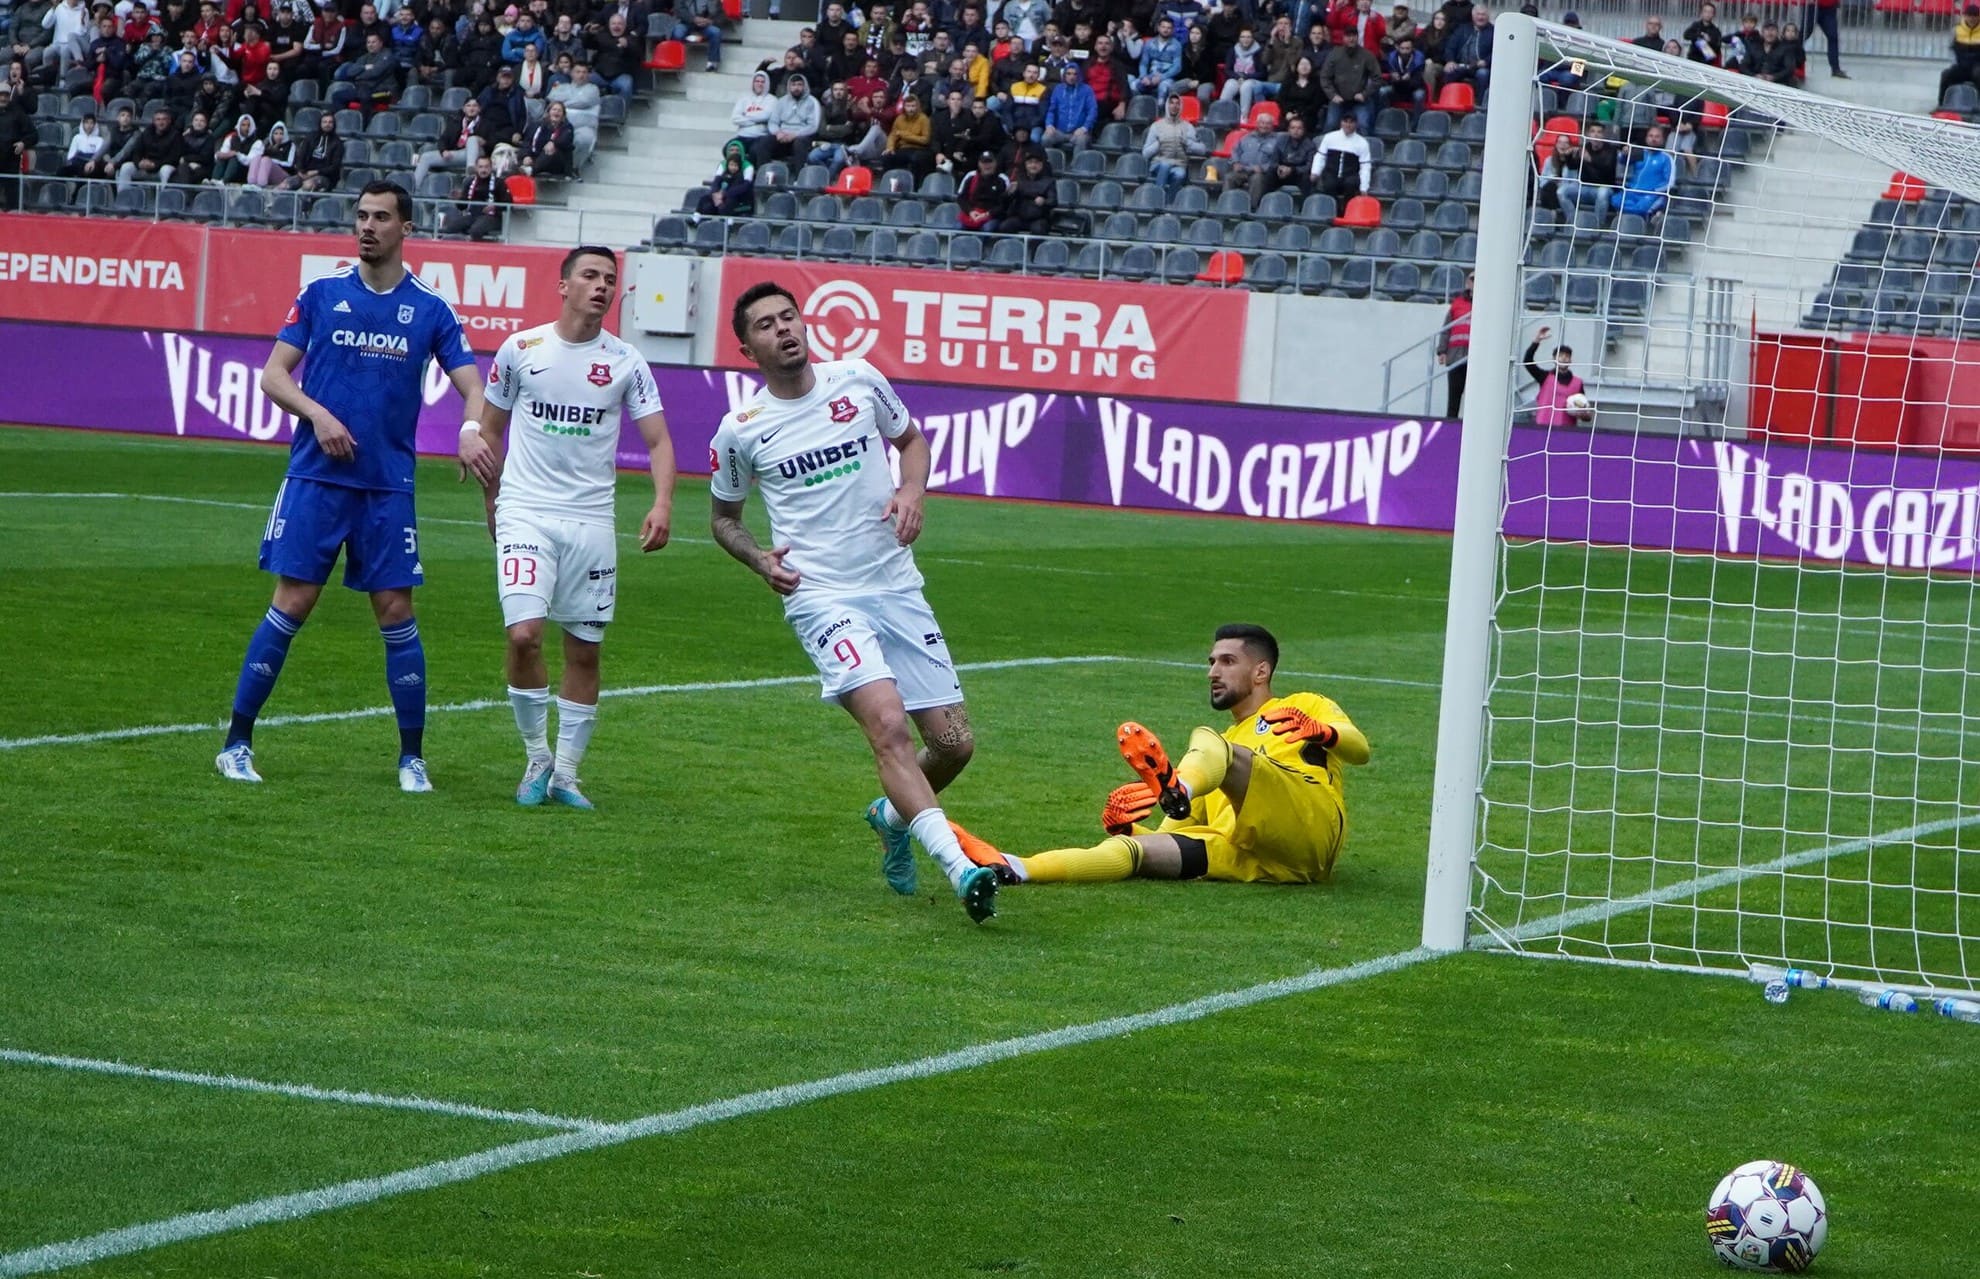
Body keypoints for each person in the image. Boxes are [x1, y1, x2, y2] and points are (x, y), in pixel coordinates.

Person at [711, 283, 997, 923]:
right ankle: (959, 867)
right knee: (889, 728)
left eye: (789, 316)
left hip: (895, 585)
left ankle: (892, 819)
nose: (783, 329)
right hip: (821, 596)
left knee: (953, 745)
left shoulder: (859, 380)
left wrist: (912, 491)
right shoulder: (742, 430)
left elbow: (913, 443)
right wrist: (758, 559)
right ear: (747, 347)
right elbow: (724, 519)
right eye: (765, 324)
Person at [216, 183, 486, 791]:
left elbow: (473, 385)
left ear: (405, 227)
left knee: (396, 611)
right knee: (293, 602)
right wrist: (318, 414)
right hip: (316, 477)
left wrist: (471, 428)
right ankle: (236, 743)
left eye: (381, 217)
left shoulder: (431, 310)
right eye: (361, 215)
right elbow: (273, 377)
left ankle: (412, 757)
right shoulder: (321, 293)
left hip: (387, 486)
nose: (368, 226)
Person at [458, 248, 673, 811]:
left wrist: (663, 502)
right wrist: (492, 500)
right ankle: (536, 756)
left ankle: (567, 775)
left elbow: (657, 441)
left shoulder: (626, 361)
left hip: (592, 521)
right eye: (590, 276)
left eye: (610, 279)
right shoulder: (522, 350)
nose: (602, 286)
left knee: (584, 652)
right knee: (524, 635)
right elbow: (492, 429)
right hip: (526, 510)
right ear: (564, 284)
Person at [949, 625, 1368, 888]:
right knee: (1136, 851)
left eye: (1227, 661)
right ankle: (1018, 868)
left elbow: (1360, 749)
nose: (1212, 672)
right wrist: (1131, 827)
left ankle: (1174, 786)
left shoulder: (1301, 705)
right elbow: (1177, 826)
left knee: (1213, 746)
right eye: (1210, 662)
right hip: (1259, 859)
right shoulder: (1216, 759)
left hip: (1310, 825)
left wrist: (1325, 733)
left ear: (1261, 672)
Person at [1320, 25, 1380, 131]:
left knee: (1363, 126)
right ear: (1343, 37)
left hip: (1360, 101)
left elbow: (1377, 78)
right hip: (1338, 99)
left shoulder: (1367, 55)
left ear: (1358, 37)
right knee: (1330, 125)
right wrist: (1332, 95)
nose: (1351, 39)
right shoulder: (1334, 54)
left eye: (1354, 36)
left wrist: (1364, 94)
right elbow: (1324, 77)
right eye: (1348, 36)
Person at [1523, 325, 1584, 427]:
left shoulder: (1578, 383)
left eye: (1567, 356)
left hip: (1568, 432)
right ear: (1554, 358)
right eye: (1560, 356)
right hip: (1542, 428)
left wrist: (1584, 414)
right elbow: (1527, 361)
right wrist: (1536, 341)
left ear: (1570, 360)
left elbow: (1583, 408)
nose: (1563, 358)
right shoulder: (1544, 377)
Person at [1140, 89, 1202, 189]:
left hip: (1178, 165)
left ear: (1180, 106)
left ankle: (1169, 201)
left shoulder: (1187, 126)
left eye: (1177, 103)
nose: (1174, 106)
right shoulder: (1156, 126)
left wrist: (1187, 142)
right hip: (1159, 164)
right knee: (1165, 165)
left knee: (1181, 174)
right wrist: (1159, 143)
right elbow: (1145, 153)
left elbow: (1202, 149)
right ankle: (1158, 194)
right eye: (1171, 103)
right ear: (1167, 105)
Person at [755, 70, 819, 165]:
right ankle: (762, 173)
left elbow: (813, 126)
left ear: (804, 86)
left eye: (799, 85)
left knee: (799, 143)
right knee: (764, 141)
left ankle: (799, 178)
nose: (796, 88)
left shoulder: (812, 102)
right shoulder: (782, 101)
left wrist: (795, 134)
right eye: (793, 85)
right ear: (789, 87)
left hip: (801, 136)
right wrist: (778, 133)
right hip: (783, 135)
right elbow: (773, 122)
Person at [443, 151, 511, 236]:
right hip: (472, 216)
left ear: (491, 168)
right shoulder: (469, 181)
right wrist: (458, 199)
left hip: (492, 217)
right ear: (476, 168)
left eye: (486, 167)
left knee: (475, 231)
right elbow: (462, 207)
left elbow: (508, 203)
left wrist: (494, 207)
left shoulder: (499, 182)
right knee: (450, 228)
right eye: (481, 167)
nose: (483, 170)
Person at [1611, 124, 1672, 217]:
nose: (1653, 139)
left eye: (1657, 136)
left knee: (1642, 207)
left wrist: (1653, 190)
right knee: (1615, 200)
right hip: (1633, 191)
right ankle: (1644, 211)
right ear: (1646, 138)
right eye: (1651, 136)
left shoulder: (1666, 158)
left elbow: (1669, 182)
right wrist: (1624, 154)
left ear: (1662, 140)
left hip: (1650, 194)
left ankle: (1635, 212)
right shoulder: (1640, 152)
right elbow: (1622, 161)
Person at [1436, 269, 1472, 419]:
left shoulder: (1486, 304)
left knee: (1473, 398)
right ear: (1468, 283)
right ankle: (1451, 426)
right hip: (1456, 356)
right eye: (1473, 279)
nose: (1475, 282)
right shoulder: (1457, 303)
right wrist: (1442, 351)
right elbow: (1446, 329)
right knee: (1454, 397)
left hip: (1474, 359)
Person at [1225, 110, 1283, 204]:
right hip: (1243, 170)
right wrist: (1235, 162)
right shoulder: (1247, 137)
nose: (1264, 126)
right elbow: (1235, 151)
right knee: (1229, 177)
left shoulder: (1278, 141)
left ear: (1272, 126)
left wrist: (1263, 168)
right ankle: (1227, 204)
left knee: (1257, 179)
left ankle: (1252, 208)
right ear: (1257, 124)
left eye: (1268, 124)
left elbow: (1277, 160)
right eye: (1262, 123)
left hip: (1262, 173)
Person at [1311, 109, 1369, 199]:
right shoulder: (1329, 137)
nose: (1348, 125)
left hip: (1350, 175)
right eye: (1345, 122)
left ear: (1356, 124)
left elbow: (1365, 166)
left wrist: (1364, 187)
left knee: (1351, 184)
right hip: (1331, 173)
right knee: (1329, 184)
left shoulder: (1362, 142)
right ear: (1341, 123)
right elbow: (1320, 156)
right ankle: (1334, 209)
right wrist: (1315, 172)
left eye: (1351, 122)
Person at [1040, 59, 1095, 148]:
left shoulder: (1087, 90)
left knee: (1081, 140)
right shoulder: (1058, 89)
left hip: (1079, 131)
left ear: (1079, 75)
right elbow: (1051, 110)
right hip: (1059, 131)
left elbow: (1092, 111)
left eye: (1075, 74)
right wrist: (1049, 125)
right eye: (1068, 74)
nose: (1072, 77)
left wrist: (1084, 128)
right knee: (1045, 138)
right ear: (1064, 75)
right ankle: (1048, 161)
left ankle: (1078, 162)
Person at [1003, 145, 1054, 233]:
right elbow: (1006, 200)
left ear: (1041, 165)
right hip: (1019, 217)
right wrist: (1009, 192)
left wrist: (1044, 201)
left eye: (1036, 162)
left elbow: (1053, 201)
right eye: (1030, 162)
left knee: (1038, 229)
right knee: (1005, 226)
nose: (1033, 165)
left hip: (1038, 219)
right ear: (1026, 165)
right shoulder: (1019, 179)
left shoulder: (1049, 181)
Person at [1135, 14, 1180, 104]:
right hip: (1151, 75)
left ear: (1172, 30)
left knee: (1163, 87)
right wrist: (1143, 77)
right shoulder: (1149, 43)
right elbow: (1143, 63)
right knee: (1134, 85)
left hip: (1168, 77)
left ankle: (1160, 113)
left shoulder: (1176, 45)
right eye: (1163, 27)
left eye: (1169, 28)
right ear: (1158, 27)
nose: (1165, 30)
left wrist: (1162, 77)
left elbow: (1177, 67)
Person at [956, 146, 1006, 228]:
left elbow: (1003, 205)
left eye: (990, 162)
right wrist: (970, 211)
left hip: (992, 215)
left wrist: (987, 214)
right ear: (979, 164)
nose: (987, 165)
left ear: (995, 163)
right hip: (972, 213)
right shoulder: (971, 176)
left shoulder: (1002, 179)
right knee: (958, 227)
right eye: (984, 162)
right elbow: (961, 198)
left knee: (987, 228)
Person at [671, 0, 724, 71]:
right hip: (685, 22)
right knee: (677, 33)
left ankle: (712, 63)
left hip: (705, 24)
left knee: (716, 32)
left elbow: (721, 14)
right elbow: (679, 10)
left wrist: (710, 21)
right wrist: (694, 19)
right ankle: (675, 61)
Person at [695, 148, 752, 214]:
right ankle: (696, 217)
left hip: (731, 197)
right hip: (719, 195)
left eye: (735, 165)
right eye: (731, 165)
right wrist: (715, 194)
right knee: (704, 199)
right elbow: (716, 183)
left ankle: (727, 221)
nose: (733, 167)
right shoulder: (724, 174)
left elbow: (735, 189)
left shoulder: (739, 176)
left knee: (727, 205)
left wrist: (722, 194)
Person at [1943, 3, 1980, 102]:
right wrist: (1954, 63)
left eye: (1975, 16)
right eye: (1969, 16)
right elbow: (1950, 48)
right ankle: (1941, 104)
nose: (1972, 19)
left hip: (1977, 66)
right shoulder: (1956, 30)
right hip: (1960, 65)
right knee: (1946, 75)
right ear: (1965, 16)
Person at [246, 118, 295, 185]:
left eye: (281, 133)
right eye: (276, 133)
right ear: (272, 135)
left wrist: (272, 161)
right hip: (266, 173)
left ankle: (261, 185)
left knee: (266, 160)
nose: (278, 136)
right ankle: (251, 183)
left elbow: (290, 164)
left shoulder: (290, 145)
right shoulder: (267, 145)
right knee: (256, 158)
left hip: (284, 174)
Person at [1802, 0, 1844, 78]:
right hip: (1812, 5)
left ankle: (1835, 69)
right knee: (1804, 34)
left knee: (1833, 37)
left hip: (1829, 6)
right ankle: (1790, 60)